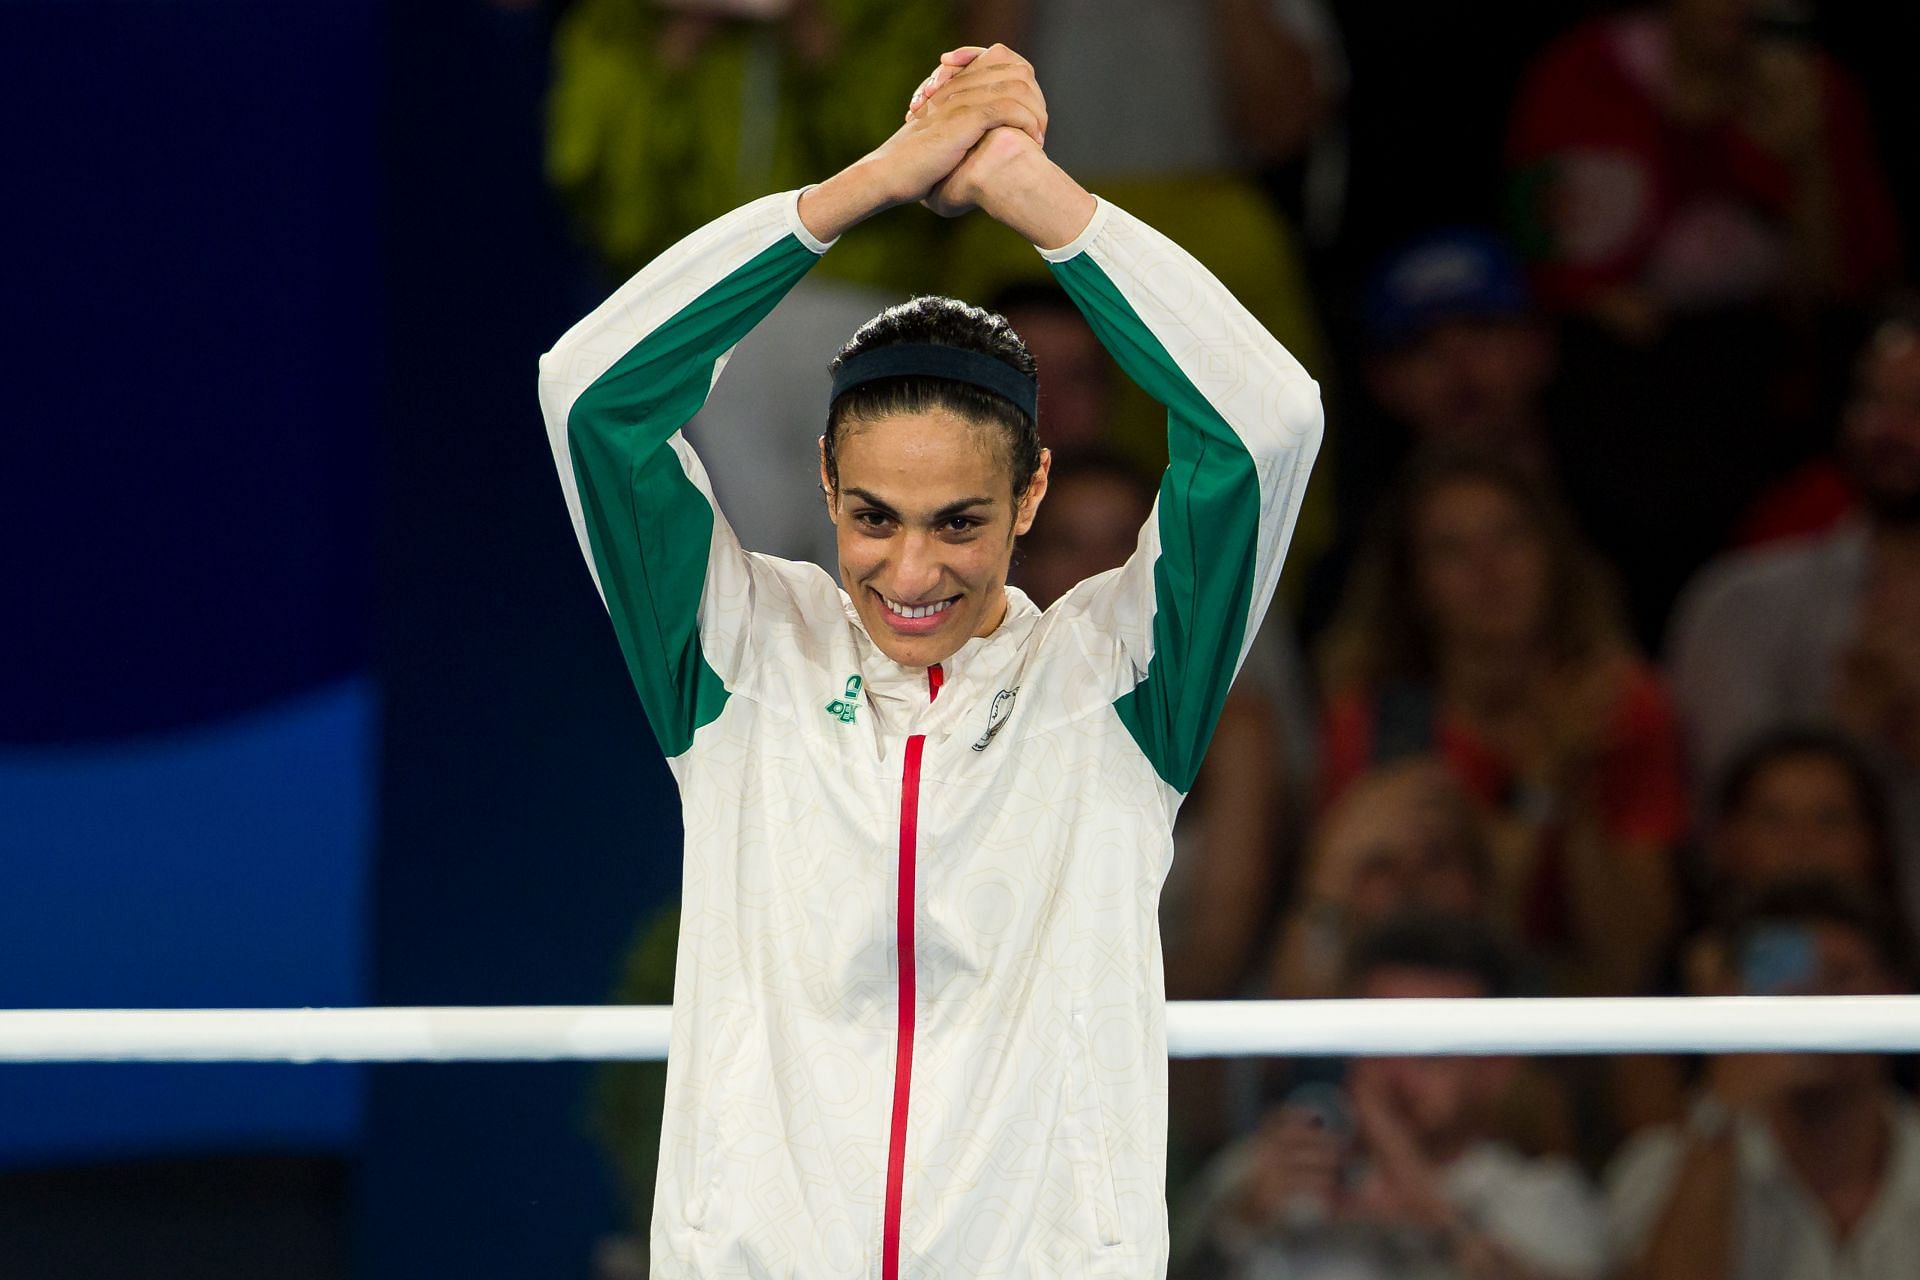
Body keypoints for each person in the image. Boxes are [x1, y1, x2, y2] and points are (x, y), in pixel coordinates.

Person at [537, 43, 1323, 1277]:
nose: (911, 572)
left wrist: (1031, 192)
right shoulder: (743, 657)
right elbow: (590, 392)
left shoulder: (1115, 682)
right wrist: (874, 184)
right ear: (825, 490)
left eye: (959, 519)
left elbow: (1264, 422)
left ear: (1032, 493)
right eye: (875, 517)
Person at [1318, 450, 1687, 997]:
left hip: (1586, 1015)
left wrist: (1576, 789)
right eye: (1452, 551)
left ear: (1553, 556)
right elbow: (1452, 942)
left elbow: (1635, 956)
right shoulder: (1377, 727)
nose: (1488, 568)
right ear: (1414, 583)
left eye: (1510, 537)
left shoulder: (1620, 708)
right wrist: (1539, 786)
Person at [1175, 912, 1608, 1280]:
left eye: (1428, 1051)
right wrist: (1238, 1223)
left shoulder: (1544, 1198)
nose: (1396, 1075)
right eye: (1379, 1039)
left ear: (1496, 1067)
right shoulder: (1268, 1167)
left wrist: (1439, 1223)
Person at [1668, 299, 1920, 931]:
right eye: (1874, 401)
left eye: (1917, 408)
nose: (1891, 430)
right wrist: (1847, 735)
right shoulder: (1737, 608)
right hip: (1783, 980)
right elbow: (1721, 853)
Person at [1606, 878, 1920, 1280]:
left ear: (1895, 992)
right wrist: (1719, 1115)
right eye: (1789, 982)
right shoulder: (1657, 1171)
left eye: (1841, 977)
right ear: (1734, 994)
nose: (1814, 1004)